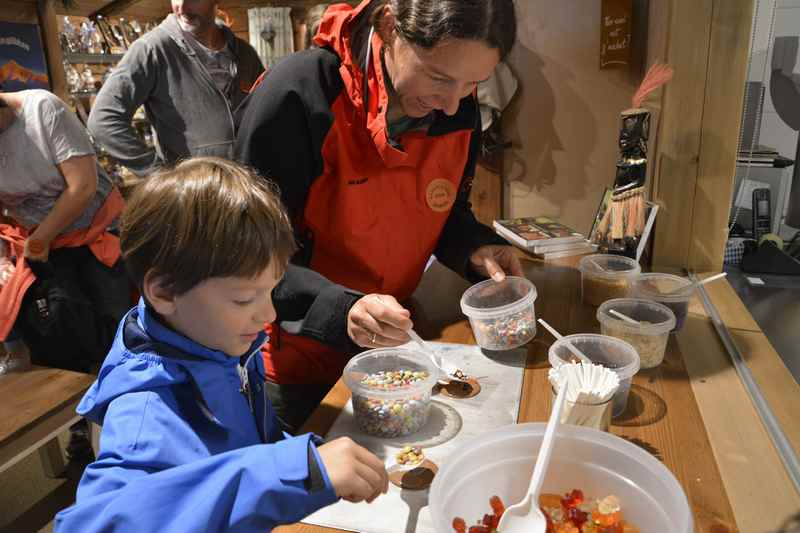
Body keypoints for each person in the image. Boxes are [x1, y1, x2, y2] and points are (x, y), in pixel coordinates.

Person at [54, 157, 389, 532]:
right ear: (165, 291)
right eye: (245, 299)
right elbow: (90, 524)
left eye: (270, 291)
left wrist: (297, 460)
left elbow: (238, 449)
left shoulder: (211, 338)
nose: (269, 315)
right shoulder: (145, 417)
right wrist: (290, 471)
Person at [235, 0, 522, 432]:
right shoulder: (300, 92)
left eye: (473, 83)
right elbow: (245, 255)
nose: (451, 105)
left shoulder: (457, 103)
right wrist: (341, 309)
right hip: (301, 362)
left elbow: (443, 209)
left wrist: (473, 247)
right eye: (439, 77)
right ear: (389, 27)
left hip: (396, 347)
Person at [0, 88, 129, 374]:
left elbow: (82, 186)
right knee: (56, 340)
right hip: (39, 244)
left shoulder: (42, 110)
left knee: (113, 337)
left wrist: (42, 237)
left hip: (92, 233)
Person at [87, 0, 264, 176]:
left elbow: (267, 113)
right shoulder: (152, 49)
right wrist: (159, 175)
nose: (182, 7)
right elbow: (103, 120)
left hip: (246, 188)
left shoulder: (244, 53)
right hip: (192, 197)